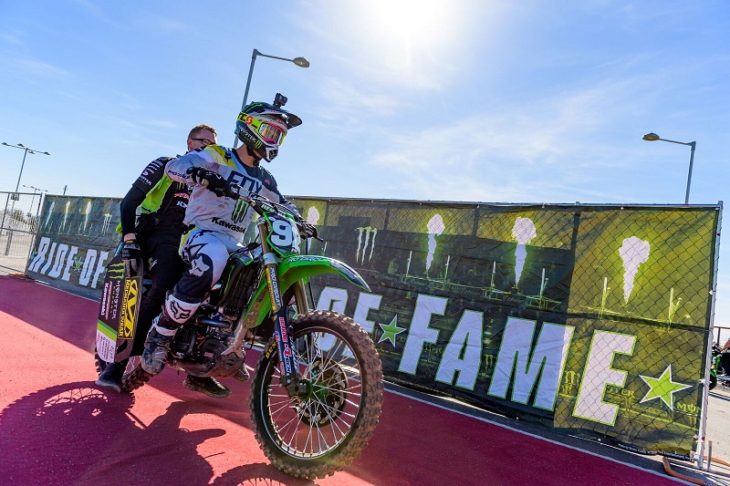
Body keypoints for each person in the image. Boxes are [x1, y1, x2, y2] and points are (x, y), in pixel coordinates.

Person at [140, 98, 302, 378]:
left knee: (259, 273)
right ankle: (160, 333)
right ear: (250, 127)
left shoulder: (265, 179)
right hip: (199, 233)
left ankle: (227, 346)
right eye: (270, 132)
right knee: (213, 257)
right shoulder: (217, 155)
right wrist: (200, 174)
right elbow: (175, 167)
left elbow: (284, 205)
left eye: (279, 136)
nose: (274, 141)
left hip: (234, 242)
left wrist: (301, 220)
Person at [96, 124, 236, 398]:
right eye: (202, 141)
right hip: (157, 236)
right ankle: (116, 365)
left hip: (193, 241)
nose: (207, 147)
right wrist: (129, 239)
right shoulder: (167, 165)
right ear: (189, 142)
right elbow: (129, 202)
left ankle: (200, 369)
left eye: (212, 144)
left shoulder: (215, 179)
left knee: (217, 295)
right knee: (161, 288)